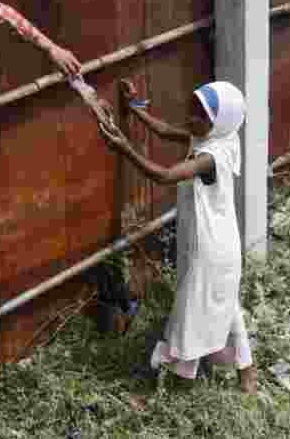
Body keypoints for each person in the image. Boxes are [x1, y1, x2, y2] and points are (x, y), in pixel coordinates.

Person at [96, 79, 257, 394]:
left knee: (192, 313)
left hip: (211, 248)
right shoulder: (220, 136)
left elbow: (165, 175)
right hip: (220, 241)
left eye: (200, 115)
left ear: (218, 121)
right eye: (192, 110)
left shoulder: (211, 156)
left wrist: (123, 147)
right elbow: (167, 131)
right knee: (223, 305)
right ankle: (246, 374)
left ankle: (179, 385)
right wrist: (135, 107)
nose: (191, 119)